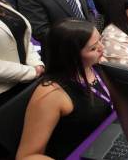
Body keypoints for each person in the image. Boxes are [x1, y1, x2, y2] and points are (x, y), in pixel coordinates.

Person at [16, 19, 112, 159]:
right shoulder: (51, 93)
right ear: (71, 57)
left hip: (106, 141)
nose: (102, 48)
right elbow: (27, 156)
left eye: (100, 40)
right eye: (93, 48)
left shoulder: (95, 65)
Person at [0, 0, 44, 107]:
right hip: (5, 94)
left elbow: (23, 38)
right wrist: (30, 72)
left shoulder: (1, 2)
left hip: (29, 81)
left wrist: (36, 64)